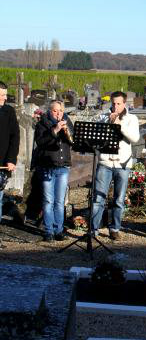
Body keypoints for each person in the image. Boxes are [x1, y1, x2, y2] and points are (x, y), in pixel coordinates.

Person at [91, 91, 140, 240]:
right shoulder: (103, 117)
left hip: (122, 164)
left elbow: (135, 138)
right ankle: (93, 229)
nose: (115, 106)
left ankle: (115, 228)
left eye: (118, 103)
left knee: (119, 199)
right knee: (98, 198)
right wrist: (108, 123)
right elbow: (95, 137)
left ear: (124, 104)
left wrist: (119, 125)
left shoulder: (131, 119)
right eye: (113, 103)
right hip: (105, 162)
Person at [34, 99, 73, 242]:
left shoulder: (67, 121)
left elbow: (72, 141)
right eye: (55, 111)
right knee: (48, 200)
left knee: (59, 201)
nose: (58, 114)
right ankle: (49, 230)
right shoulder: (42, 124)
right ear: (50, 111)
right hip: (47, 166)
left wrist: (67, 131)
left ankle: (59, 230)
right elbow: (41, 142)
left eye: (61, 111)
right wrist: (55, 130)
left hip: (63, 167)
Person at [0, 82, 19, 223]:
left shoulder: (9, 112)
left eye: (5, 95)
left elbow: (15, 137)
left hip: (2, 163)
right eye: (1, 95)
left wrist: (11, 159)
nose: (4, 98)